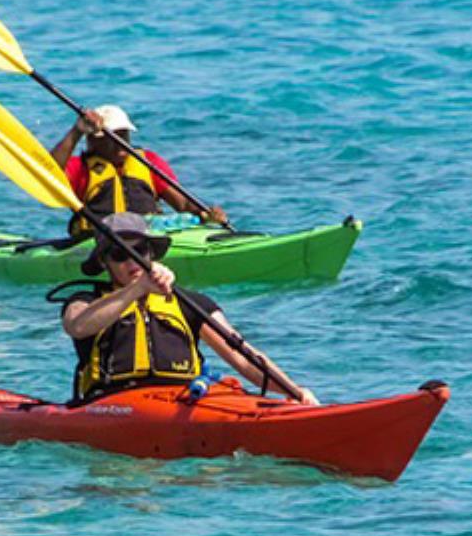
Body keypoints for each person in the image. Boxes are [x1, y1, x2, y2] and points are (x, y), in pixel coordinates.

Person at [60, 212, 318, 405]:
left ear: (150, 252)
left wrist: (293, 392)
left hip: (183, 401)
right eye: (119, 254)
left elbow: (242, 355)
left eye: (138, 250)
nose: (131, 260)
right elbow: (77, 326)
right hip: (115, 403)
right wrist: (137, 289)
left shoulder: (190, 303)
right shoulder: (85, 301)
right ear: (104, 262)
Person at [50, 105, 229, 237]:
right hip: (100, 238)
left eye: (123, 135)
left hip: (150, 233)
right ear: (93, 141)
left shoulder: (147, 161)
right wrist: (76, 132)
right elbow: (49, 173)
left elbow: (182, 204)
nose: (120, 141)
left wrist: (206, 214)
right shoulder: (80, 168)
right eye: (112, 136)